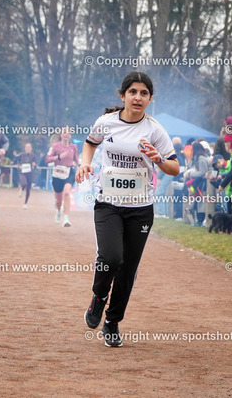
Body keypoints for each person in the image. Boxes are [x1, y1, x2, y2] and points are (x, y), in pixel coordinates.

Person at [77, 71, 179, 347]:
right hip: (108, 203)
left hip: (140, 209)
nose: (138, 97)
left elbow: (175, 168)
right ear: (122, 96)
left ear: (150, 99)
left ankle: (112, 322)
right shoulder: (106, 122)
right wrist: (85, 163)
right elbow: (90, 143)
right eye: (133, 92)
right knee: (111, 257)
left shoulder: (154, 130)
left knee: (128, 268)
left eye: (144, 93)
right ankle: (99, 297)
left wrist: (159, 159)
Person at [45, 127, 79, 227]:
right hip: (57, 174)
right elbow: (47, 159)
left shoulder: (73, 147)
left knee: (67, 193)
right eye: (64, 133)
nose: (66, 135)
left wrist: (81, 166)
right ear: (61, 135)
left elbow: (76, 159)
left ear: (70, 136)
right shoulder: (55, 146)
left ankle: (66, 218)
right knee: (59, 200)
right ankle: (59, 210)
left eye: (68, 133)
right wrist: (59, 157)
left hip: (69, 172)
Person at [17, 142, 37, 209]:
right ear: (25, 148)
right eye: (26, 147)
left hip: (30, 173)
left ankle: (25, 203)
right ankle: (22, 189)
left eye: (29, 147)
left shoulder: (33, 156)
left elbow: (35, 165)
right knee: (24, 183)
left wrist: (34, 165)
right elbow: (18, 162)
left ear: (31, 148)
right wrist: (18, 165)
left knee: (28, 189)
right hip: (23, 172)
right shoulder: (21, 155)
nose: (27, 148)